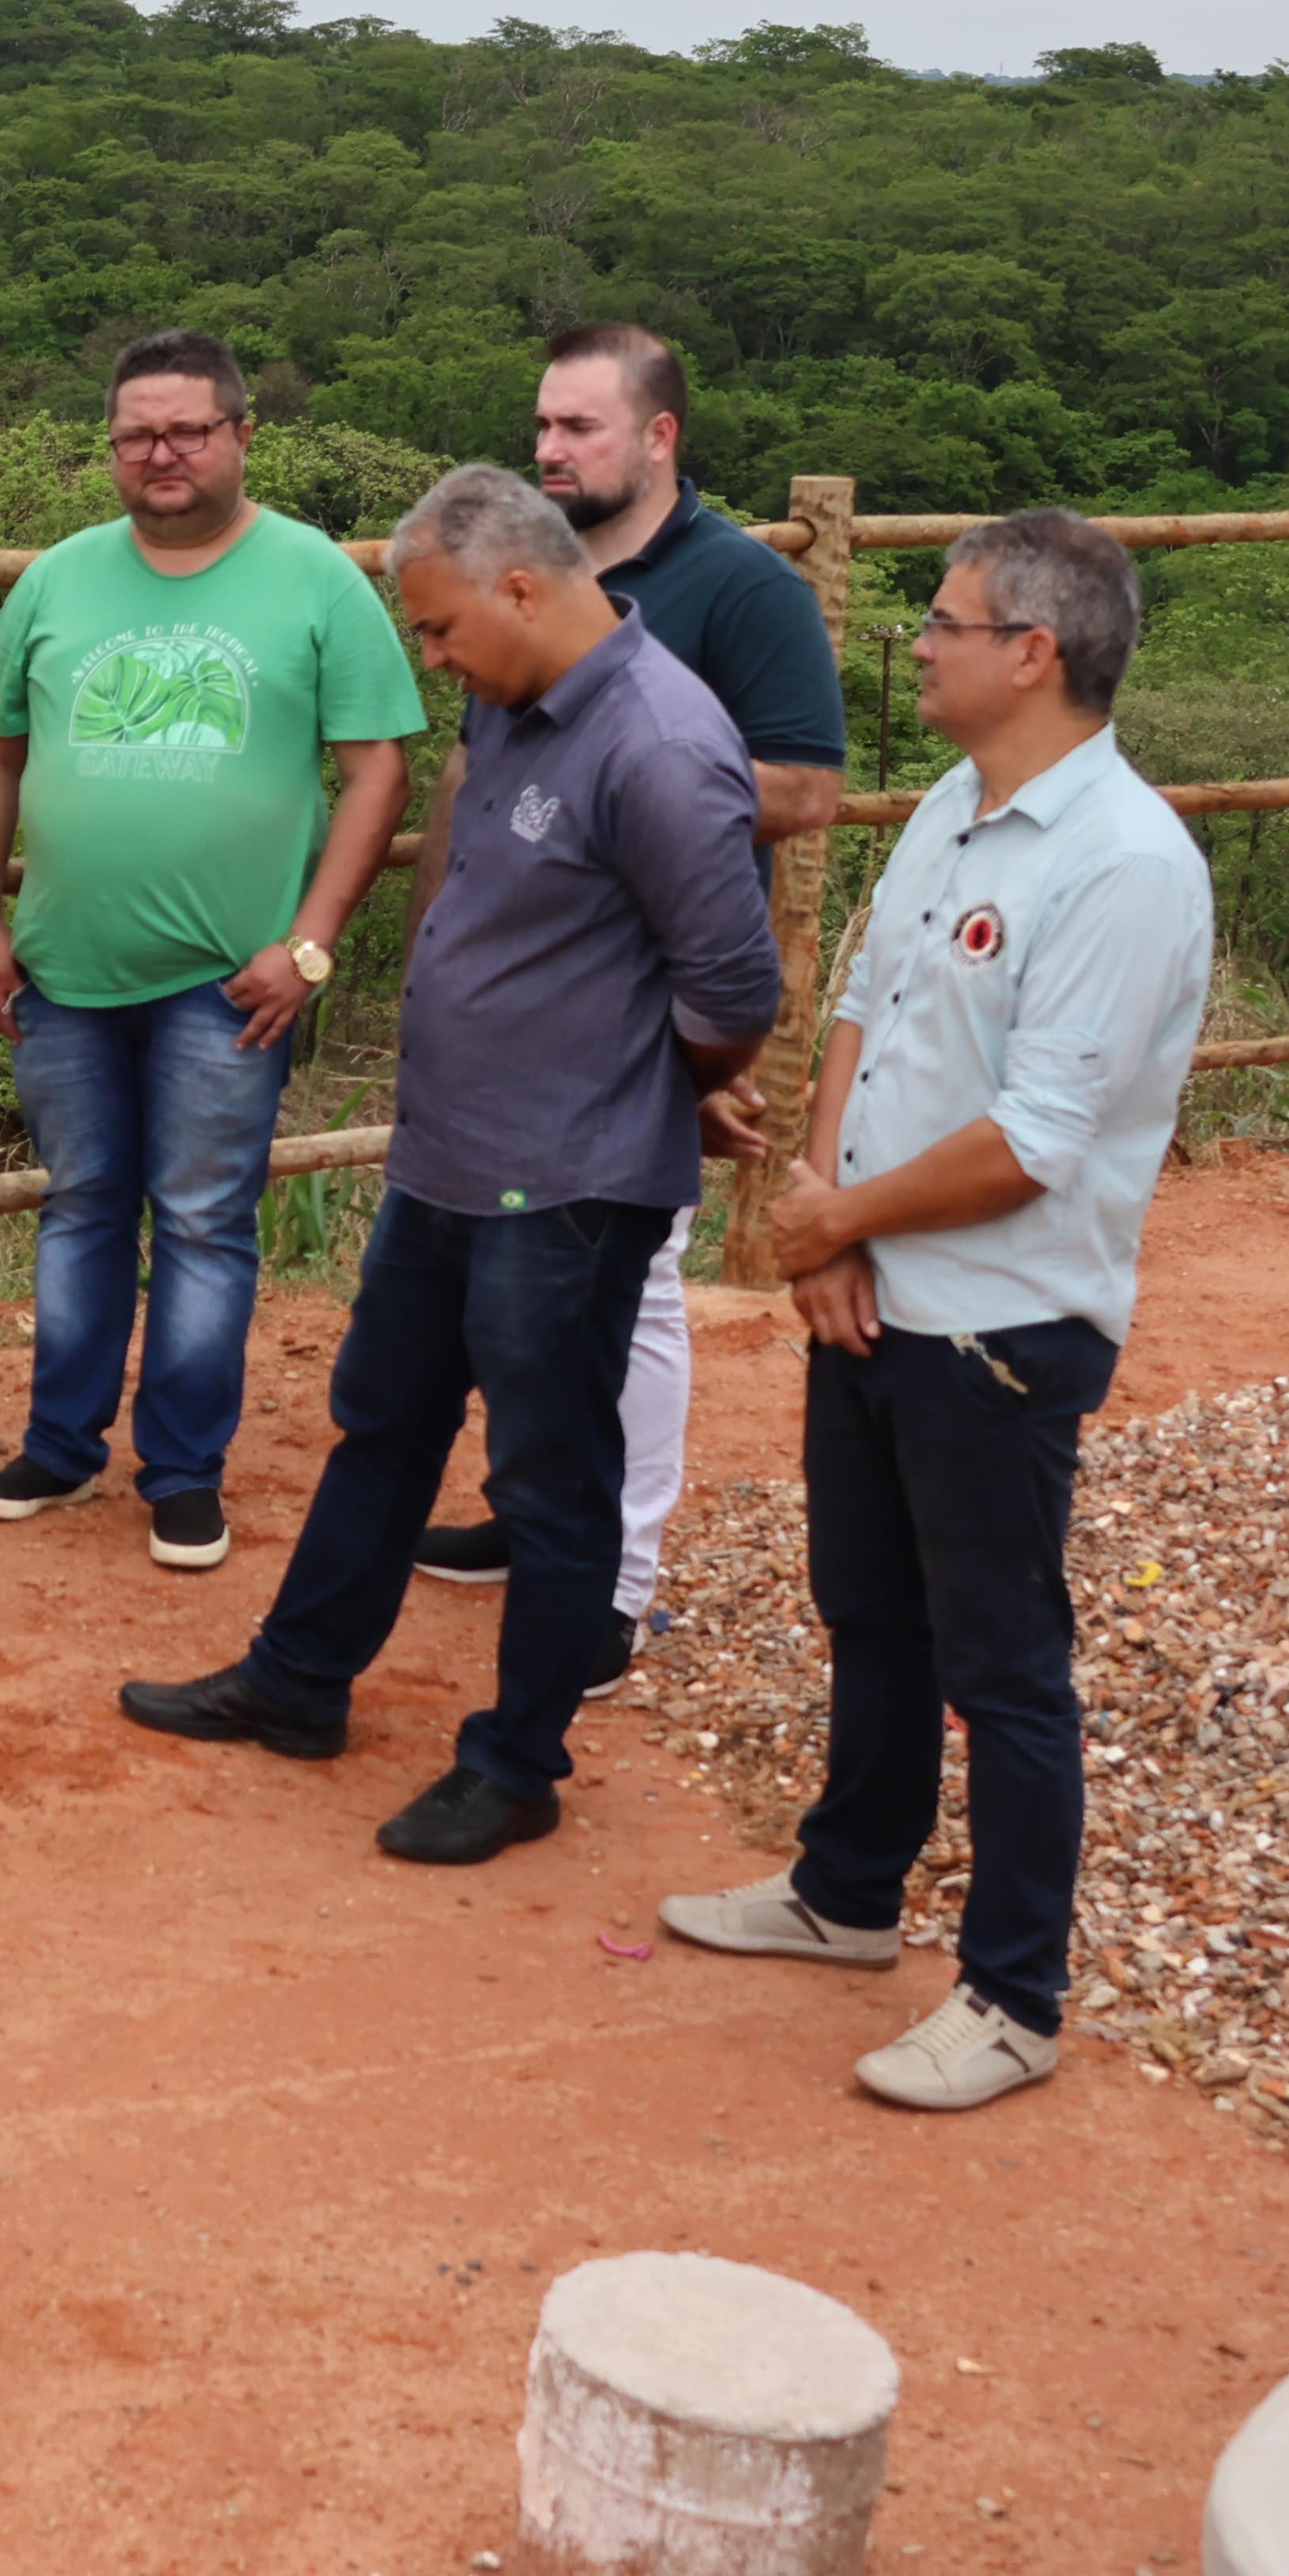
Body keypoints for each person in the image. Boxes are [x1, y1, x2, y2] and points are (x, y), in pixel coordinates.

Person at [116, 468, 788, 1864]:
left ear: (523, 591)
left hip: (572, 1180)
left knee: (549, 1474)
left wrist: (680, 1088)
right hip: (451, 1155)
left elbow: (732, 990)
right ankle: (300, 1681)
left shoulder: (661, 747)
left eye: (436, 631)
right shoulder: (517, 695)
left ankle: (520, 1760)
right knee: (386, 1424)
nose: (431, 661)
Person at [664, 508, 1210, 2113]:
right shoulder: (959, 814)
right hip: (877, 1293)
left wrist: (845, 1213)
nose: (920, 642)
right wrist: (823, 1221)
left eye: (947, 622)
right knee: (870, 1604)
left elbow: (1040, 1141)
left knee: (1004, 1655)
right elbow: (859, 1006)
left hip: (999, 1318)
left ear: (1034, 651)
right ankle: (848, 1888)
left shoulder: (1123, 864)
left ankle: (1015, 1992)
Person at [0, 332, 423, 1570]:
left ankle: (183, 1472)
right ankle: (60, 1444)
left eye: (186, 429)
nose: (161, 454)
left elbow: (379, 767)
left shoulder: (316, 578)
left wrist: (311, 945)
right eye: (136, 435)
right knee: (81, 1208)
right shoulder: (58, 579)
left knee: (207, 1221)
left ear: (240, 435)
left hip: (233, 985)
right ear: (111, 448)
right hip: (61, 970)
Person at [414, 322, 851, 1652]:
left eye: (581, 430)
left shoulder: (736, 589)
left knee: (637, 1286)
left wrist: (625, 784)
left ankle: (617, 1577)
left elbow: (806, 784)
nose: (550, 451)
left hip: (647, 987)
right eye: (542, 427)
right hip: (514, 1000)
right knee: (517, 1280)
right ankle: (534, 1513)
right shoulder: (522, 575)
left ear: (659, 438)